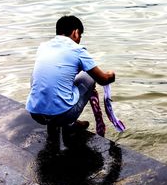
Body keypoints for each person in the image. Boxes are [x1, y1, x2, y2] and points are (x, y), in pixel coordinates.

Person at [26, 15, 115, 144]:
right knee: (89, 77)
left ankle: (57, 127)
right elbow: (103, 79)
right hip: (63, 115)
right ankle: (69, 123)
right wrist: (111, 74)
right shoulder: (77, 50)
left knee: (42, 76)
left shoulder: (43, 47)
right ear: (75, 32)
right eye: (80, 36)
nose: (79, 40)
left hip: (36, 113)